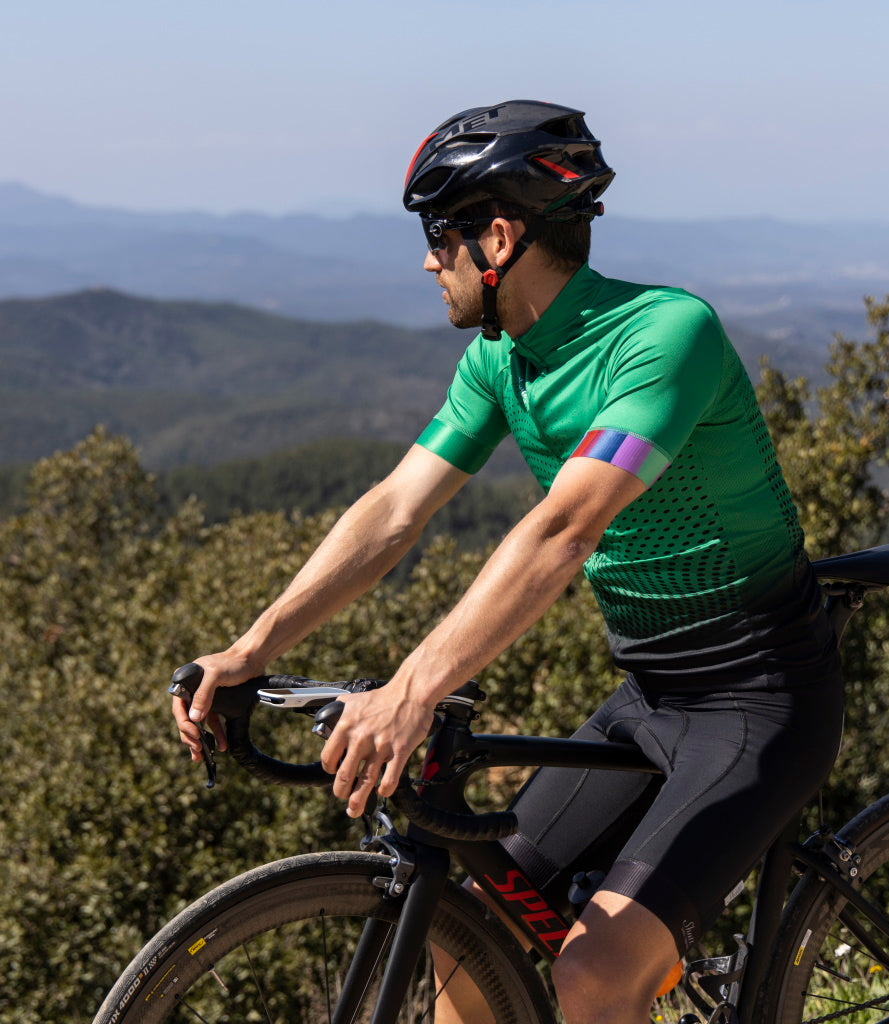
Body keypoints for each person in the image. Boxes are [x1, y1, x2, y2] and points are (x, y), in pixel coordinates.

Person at [173, 100, 844, 1024]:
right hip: (650, 693)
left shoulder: (664, 336)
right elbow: (395, 510)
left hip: (761, 698)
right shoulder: (502, 359)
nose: (428, 262)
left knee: (596, 974)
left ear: (498, 238)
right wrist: (252, 647)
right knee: (472, 934)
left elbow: (565, 529)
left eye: (438, 237)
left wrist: (412, 691)